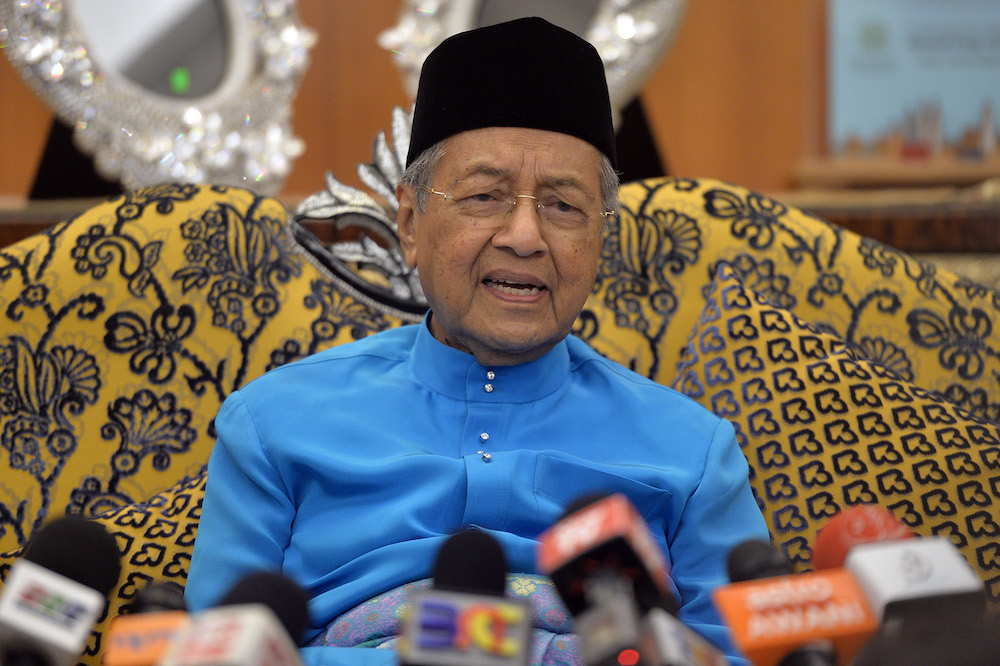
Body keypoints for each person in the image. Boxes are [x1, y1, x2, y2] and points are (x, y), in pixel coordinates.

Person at [185, 16, 769, 665]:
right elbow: (214, 650)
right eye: (486, 196)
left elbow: (740, 656)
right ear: (410, 223)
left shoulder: (692, 453)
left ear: (600, 238)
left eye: (563, 206)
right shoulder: (271, 424)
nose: (524, 235)